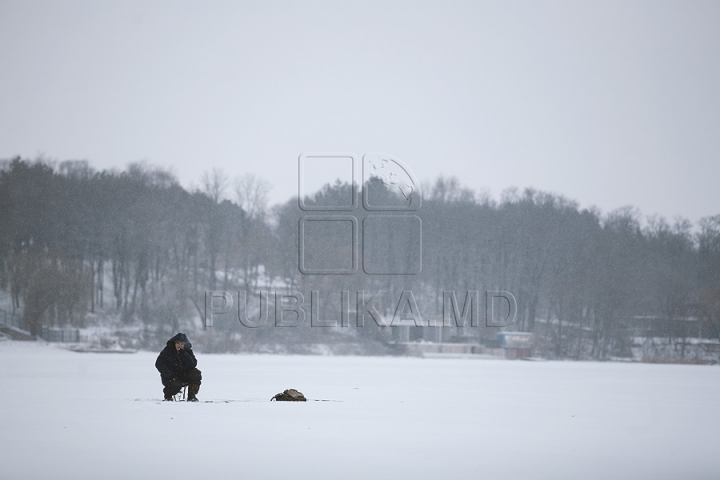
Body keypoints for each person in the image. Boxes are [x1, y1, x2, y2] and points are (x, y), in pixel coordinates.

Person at [155, 333, 202, 402]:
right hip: (171, 377)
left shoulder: (187, 351)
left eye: (182, 344)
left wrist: (184, 354)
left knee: (196, 373)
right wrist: (169, 374)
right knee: (175, 385)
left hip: (184, 375)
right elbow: (159, 364)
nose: (180, 345)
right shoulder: (167, 351)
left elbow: (193, 364)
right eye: (178, 343)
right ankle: (168, 396)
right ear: (174, 343)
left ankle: (191, 396)